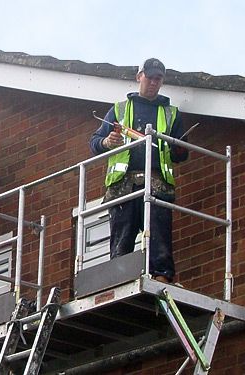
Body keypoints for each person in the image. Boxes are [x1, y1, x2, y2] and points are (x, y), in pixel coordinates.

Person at [89, 58, 188, 283]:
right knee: (122, 235)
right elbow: (94, 142)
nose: (153, 82)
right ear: (139, 77)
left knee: (158, 232)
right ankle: (118, 279)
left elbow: (181, 153)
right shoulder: (120, 109)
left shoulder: (171, 113)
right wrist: (107, 142)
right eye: (149, 77)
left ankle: (161, 276)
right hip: (123, 185)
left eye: (158, 78)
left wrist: (177, 147)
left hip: (156, 183)